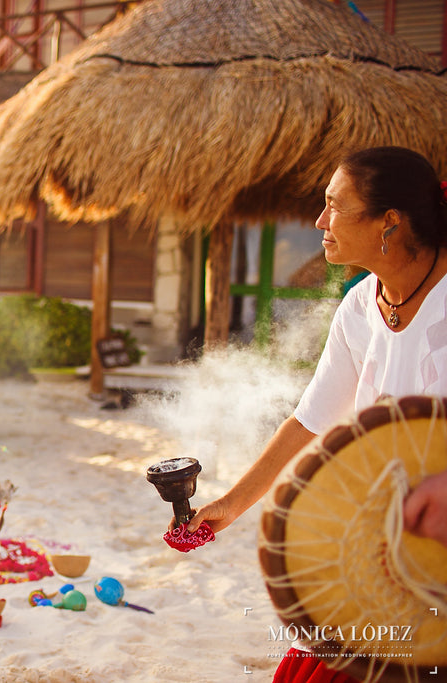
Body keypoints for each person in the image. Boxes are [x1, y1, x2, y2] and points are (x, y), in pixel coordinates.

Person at [186, 146, 447, 683]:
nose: (318, 221)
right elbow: (310, 420)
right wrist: (231, 506)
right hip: (381, 548)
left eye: (334, 205)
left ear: (389, 222)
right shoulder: (359, 307)